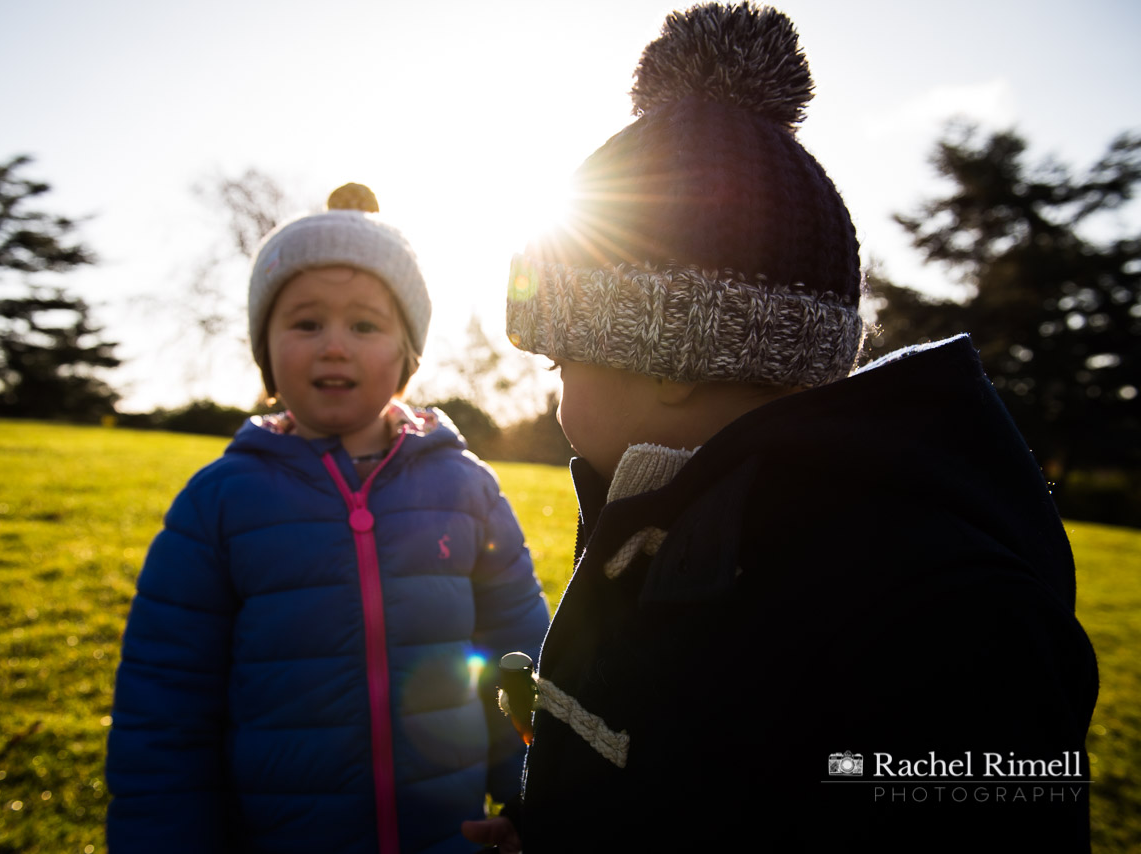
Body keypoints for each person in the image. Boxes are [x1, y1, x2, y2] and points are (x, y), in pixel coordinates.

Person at [463, 4, 1098, 852]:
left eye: (559, 363)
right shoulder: (674, 520)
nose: (553, 396)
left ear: (670, 366)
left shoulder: (942, 620)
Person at [106, 184, 550, 854]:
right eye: (306, 323)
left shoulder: (466, 490)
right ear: (265, 350)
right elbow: (163, 710)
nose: (334, 346)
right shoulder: (219, 503)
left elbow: (518, 658)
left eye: (365, 325)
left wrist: (533, 794)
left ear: (406, 356)